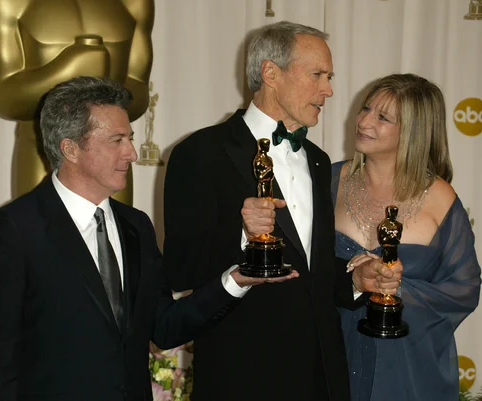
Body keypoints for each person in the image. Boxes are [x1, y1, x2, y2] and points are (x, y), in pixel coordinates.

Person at [0, 76, 296, 401]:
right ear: (70, 148)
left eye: (130, 138)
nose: (132, 153)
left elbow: (165, 327)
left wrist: (237, 279)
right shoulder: (14, 229)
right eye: (117, 141)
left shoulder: (136, 226)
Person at [163, 21, 400, 401]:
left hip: (321, 377)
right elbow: (181, 267)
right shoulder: (200, 154)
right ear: (270, 73)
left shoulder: (319, 162)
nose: (329, 89)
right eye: (317, 75)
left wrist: (356, 281)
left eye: (329, 76)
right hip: (242, 376)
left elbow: (310, 274)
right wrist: (244, 234)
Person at [332, 73, 482, 400]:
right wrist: (355, 279)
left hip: (408, 372)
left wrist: (394, 284)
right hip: (331, 361)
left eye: (382, 117)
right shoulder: (328, 181)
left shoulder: (440, 198)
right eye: (366, 108)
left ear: (413, 132)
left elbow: (464, 290)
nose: (364, 121)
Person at [0, 0, 154, 204]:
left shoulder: (135, 3)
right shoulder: (7, 2)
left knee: (116, 230)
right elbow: (5, 99)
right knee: (40, 232)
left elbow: (139, 95)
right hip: (42, 149)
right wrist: (70, 68)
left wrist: (99, 86)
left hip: (111, 149)